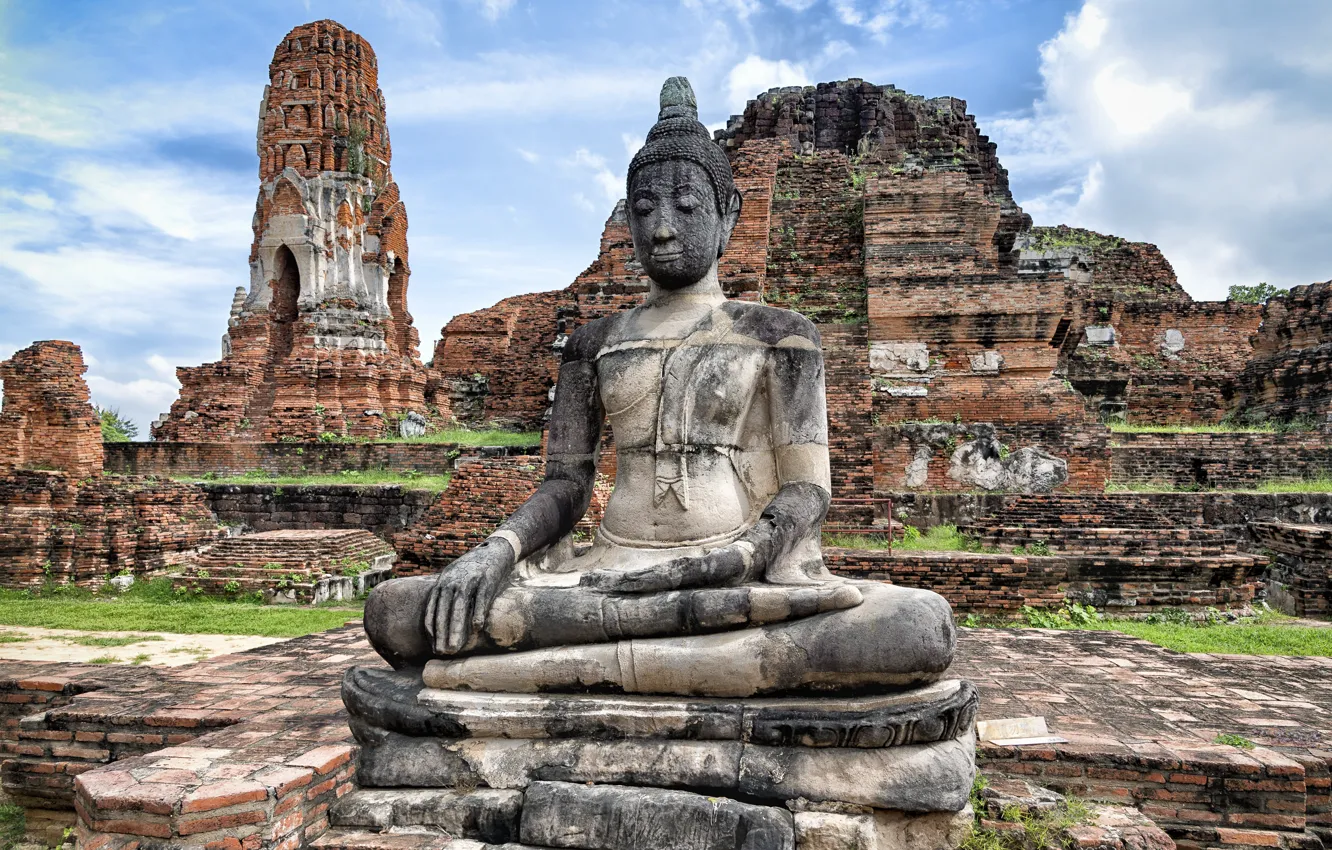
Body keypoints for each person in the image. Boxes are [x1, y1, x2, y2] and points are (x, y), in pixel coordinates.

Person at [362, 77, 954, 698]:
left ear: (729, 216)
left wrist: (744, 556)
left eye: (685, 207)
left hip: (732, 571)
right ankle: (692, 668)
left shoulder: (779, 334)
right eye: (643, 211)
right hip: (608, 574)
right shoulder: (594, 342)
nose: (662, 229)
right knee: (399, 613)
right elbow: (566, 487)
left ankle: (545, 674)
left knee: (915, 628)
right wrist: (497, 550)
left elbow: (808, 488)